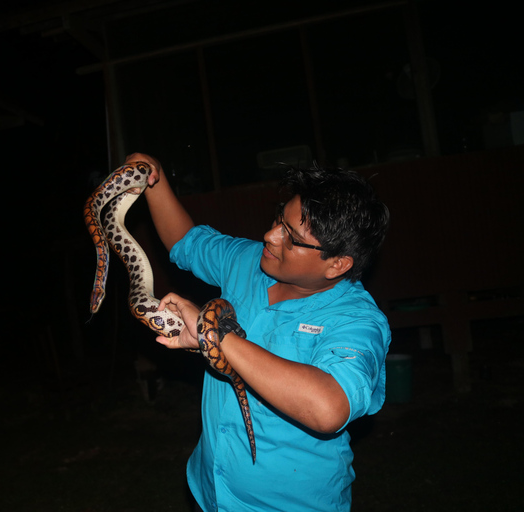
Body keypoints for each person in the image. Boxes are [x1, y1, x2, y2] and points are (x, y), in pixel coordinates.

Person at [124, 152, 391, 511]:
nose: (270, 235)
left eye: (292, 239)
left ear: (337, 265)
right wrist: (153, 180)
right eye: (279, 219)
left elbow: (328, 408)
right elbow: (185, 242)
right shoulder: (248, 261)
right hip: (212, 492)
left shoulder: (358, 321)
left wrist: (213, 334)